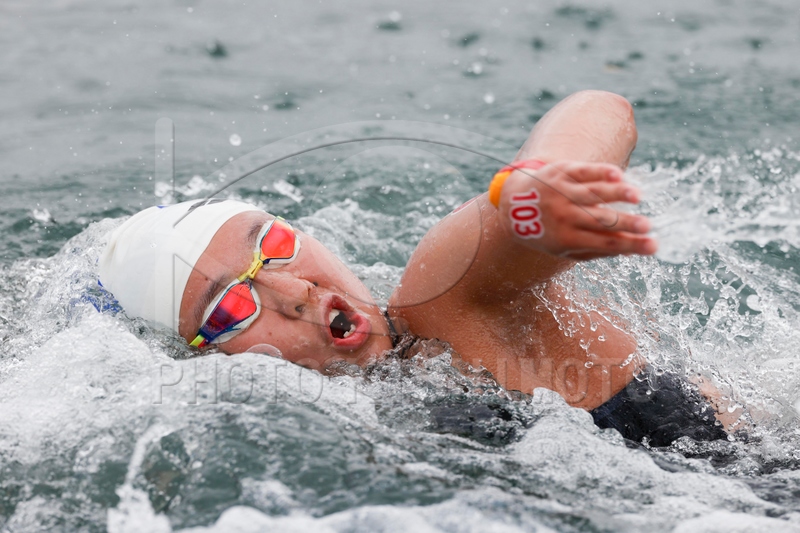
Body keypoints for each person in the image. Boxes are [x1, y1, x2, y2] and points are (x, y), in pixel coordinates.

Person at [99, 90, 734, 446]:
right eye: (230, 307)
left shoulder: (443, 302)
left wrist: (540, 184)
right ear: (201, 362)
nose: (293, 290)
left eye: (274, 243)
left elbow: (598, 108)